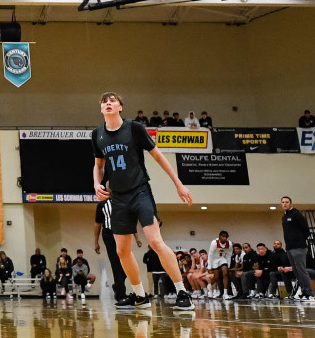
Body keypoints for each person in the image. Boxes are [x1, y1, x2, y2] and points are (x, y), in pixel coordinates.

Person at [93, 91, 194, 311]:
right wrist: (96, 184)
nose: (108, 104)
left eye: (112, 101)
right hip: (117, 197)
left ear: (120, 107)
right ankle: (140, 295)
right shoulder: (97, 134)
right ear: (101, 109)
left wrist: (178, 183)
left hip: (140, 191)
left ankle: (182, 291)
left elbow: (158, 155)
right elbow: (99, 165)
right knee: (121, 250)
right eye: (104, 102)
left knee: (155, 241)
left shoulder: (134, 128)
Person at [280, 196, 314, 300]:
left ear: (291, 203)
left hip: (299, 247)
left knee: (301, 270)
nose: (284, 204)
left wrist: (299, 241)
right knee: (296, 271)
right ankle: (303, 292)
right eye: (283, 202)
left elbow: (306, 230)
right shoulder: (284, 217)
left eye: (286, 202)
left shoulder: (296, 214)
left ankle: (310, 293)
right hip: (289, 248)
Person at [94, 201, 126, 302]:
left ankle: (117, 286)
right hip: (108, 234)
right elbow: (97, 223)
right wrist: (96, 242)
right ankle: (121, 295)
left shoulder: (122, 200)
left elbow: (129, 220)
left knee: (125, 264)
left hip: (121, 233)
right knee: (115, 263)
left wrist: (136, 237)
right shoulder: (102, 204)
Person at [207, 230, 234, 299]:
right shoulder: (214, 243)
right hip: (214, 259)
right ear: (219, 236)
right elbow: (210, 254)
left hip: (222, 258)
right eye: (223, 236)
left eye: (226, 237)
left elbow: (229, 255)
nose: (225, 238)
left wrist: (228, 265)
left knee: (225, 273)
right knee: (216, 277)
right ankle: (209, 287)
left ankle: (225, 293)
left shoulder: (229, 243)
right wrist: (209, 267)